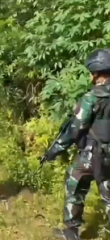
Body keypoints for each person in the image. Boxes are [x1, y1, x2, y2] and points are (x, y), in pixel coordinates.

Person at [44, 49, 110, 240]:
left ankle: (71, 232)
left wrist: (54, 150)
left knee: (75, 184)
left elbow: (75, 130)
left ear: (96, 74)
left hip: (93, 154)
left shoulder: (92, 98)